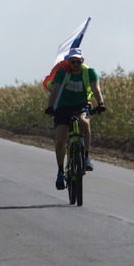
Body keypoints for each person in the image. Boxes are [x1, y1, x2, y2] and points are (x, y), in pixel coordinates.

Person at [44, 48, 105, 191]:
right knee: (61, 140)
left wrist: (101, 103)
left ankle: (86, 158)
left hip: (81, 105)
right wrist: (50, 106)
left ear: (82, 61)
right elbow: (55, 90)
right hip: (63, 107)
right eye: (72, 61)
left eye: (78, 61)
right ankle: (60, 172)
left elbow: (96, 89)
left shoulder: (89, 72)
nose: (75, 64)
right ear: (68, 62)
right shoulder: (62, 73)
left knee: (84, 123)